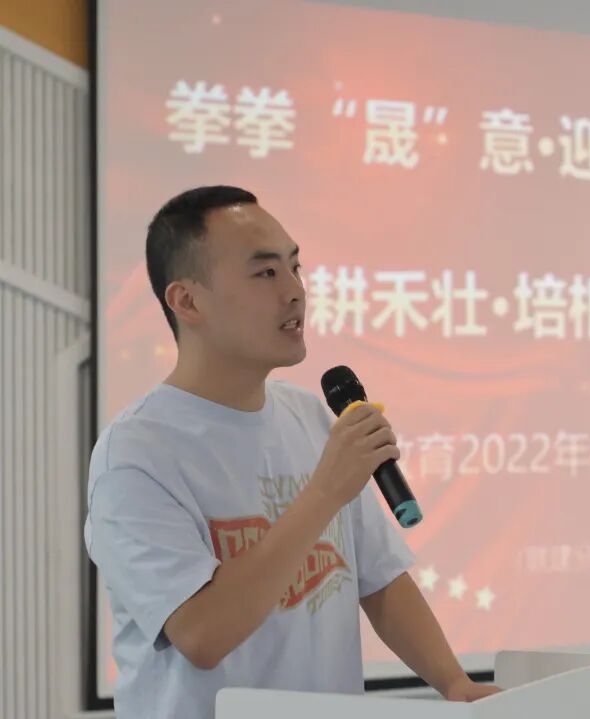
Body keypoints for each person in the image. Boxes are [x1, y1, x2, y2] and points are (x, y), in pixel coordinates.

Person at [85, 186, 500, 718]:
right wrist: (324, 492)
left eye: (295, 268)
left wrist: (453, 682)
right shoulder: (135, 456)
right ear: (187, 301)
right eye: (265, 273)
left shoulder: (311, 418)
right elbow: (202, 635)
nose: (295, 292)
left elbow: (380, 579)